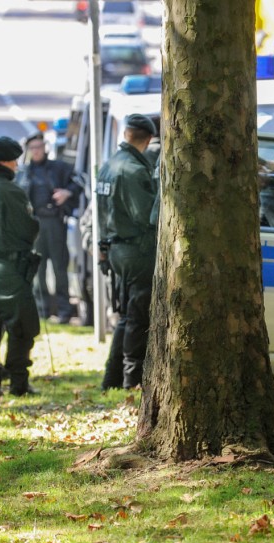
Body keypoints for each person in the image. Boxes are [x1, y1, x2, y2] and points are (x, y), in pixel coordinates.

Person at [96, 113, 158, 390]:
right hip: (136, 250)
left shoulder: (108, 166)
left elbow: (100, 213)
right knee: (137, 315)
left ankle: (112, 376)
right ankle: (131, 378)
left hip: (116, 249)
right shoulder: (133, 171)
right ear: (148, 139)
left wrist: (103, 247)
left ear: (125, 135)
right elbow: (147, 215)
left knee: (125, 316)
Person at [0, 136, 41, 396]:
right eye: (15, 161)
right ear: (6, 161)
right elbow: (28, 230)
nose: (17, 166)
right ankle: (18, 383)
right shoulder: (10, 191)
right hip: (8, 270)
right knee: (22, 326)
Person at [16, 133, 82, 324]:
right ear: (28, 150)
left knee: (60, 268)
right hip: (33, 224)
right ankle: (43, 310)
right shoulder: (23, 173)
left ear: (45, 147)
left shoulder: (58, 167)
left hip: (54, 222)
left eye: (39, 146)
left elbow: (78, 181)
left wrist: (67, 192)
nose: (36, 151)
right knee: (38, 269)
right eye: (33, 147)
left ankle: (64, 310)